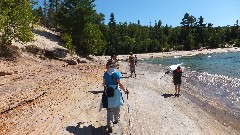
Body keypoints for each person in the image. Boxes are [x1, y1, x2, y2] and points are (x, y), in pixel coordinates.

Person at [102, 60, 129, 133]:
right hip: (116, 91)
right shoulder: (117, 73)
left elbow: (103, 84)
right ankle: (116, 120)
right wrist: (125, 90)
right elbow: (119, 84)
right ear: (114, 66)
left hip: (108, 92)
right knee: (117, 106)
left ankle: (109, 124)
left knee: (109, 109)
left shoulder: (105, 74)